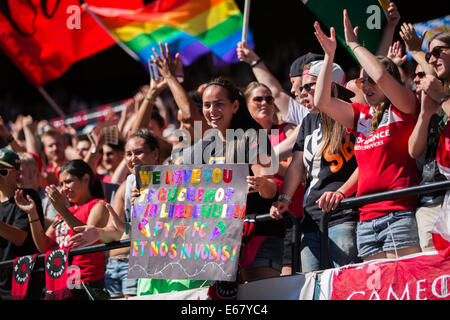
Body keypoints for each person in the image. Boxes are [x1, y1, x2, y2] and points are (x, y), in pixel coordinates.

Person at [312, 12, 421, 261]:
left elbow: (382, 75)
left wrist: (353, 45)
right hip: (366, 218)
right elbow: (322, 101)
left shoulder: (404, 107)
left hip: (398, 213)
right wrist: (330, 55)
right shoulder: (362, 114)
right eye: (362, 83)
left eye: (371, 81)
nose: (367, 86)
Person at [270, 60, 361, 272]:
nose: (302, 93)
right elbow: (296, 165)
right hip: (311, 218)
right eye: (301, 87)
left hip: (343, 214)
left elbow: (366, 162)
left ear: (329, 86)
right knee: (315, 288)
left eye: (308, 86)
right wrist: (285, 197)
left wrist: (341, 193)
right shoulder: (309, 121)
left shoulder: (351, 113)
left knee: (346, 284)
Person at [14, 159, 110, 299]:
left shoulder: (98, 205)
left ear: (86, 179)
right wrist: (32, 213)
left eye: (69, 181)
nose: (64, 188)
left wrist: (61, 208)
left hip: (88, 283)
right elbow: (43, 245)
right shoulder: (64, 213)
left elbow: (85, 237)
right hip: (63, 284)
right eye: (61, 183)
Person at [243, 81, 303, 275]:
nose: (265, 103)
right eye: (258, 99)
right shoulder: (240, 137)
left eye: (269, 99)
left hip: (289, 216)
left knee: (286, 280)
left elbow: (300, 173)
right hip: (255, 221)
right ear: (245, 104)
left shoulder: (286, 130)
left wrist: (263, 164)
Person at [409, 31, 450, 251]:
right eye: (429, 55)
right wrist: (425, 114)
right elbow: (413, 152)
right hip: (431, 204)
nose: (432, 60)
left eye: (437, 53)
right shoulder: (435, 96)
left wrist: (442, 98)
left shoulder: (441, 95)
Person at [0, 148, 44, 300]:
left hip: (24, 280)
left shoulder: (26, 196)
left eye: (3, 171)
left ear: (17, 174)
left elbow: (20, 238)